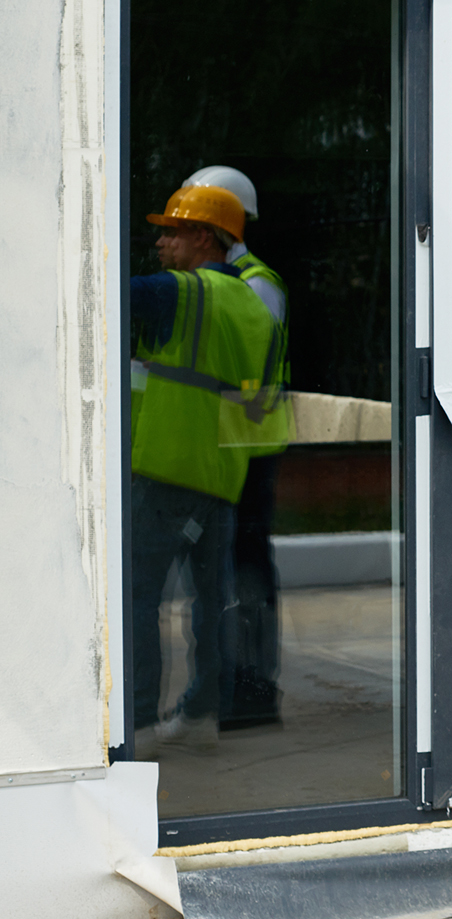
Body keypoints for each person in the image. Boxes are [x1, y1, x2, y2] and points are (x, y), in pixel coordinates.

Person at [129, 184, 280, 758]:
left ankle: (138, 720)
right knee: (209, 600)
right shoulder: (253, 303)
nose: (161, 242)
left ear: (203, 237)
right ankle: (203, 710)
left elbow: (107, 287)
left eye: (171, 231)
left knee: (139, 599)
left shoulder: (182, 293)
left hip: (166, 467)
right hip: (221, 475)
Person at [182, 166, 292, 729]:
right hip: (224, 449)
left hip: (250, 450)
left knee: (246, 567)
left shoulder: (256, 284)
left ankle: (253, 689)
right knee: (219, 569)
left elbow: (245, 367)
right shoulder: (221, 279)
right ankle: (227, 683)